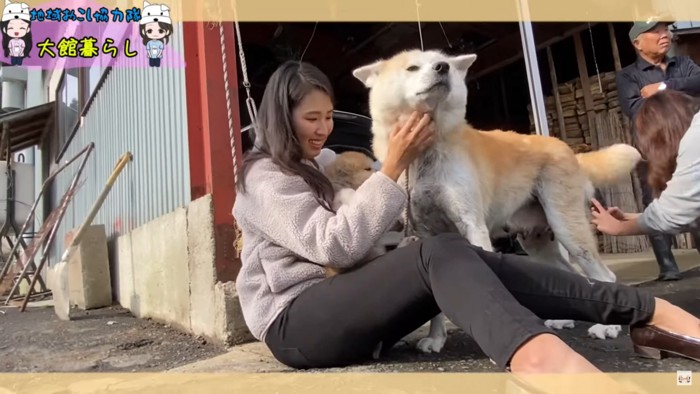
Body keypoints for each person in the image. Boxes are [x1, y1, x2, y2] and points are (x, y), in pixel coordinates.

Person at [232, 60, 700, 376]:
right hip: (296, 324)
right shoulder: (264, 176)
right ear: (281, 115)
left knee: (455, 248)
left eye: (329, 116)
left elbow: (362, 239)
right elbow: (333, 247)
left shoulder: (316, 167)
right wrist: (392, 167)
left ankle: (648, 312)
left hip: (344, 309)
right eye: (311, 118)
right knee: (435, 251)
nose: (323, 128)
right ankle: (538, 357)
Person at [616, 18, 700, 281]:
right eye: (655, 31)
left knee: (696, 199)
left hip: (691, 143)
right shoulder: (628, 76)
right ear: (637, 43)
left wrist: (664, 88)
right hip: (655, 150)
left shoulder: (683, 63)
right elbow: (636, 110)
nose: (665, 34)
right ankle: (667, 266)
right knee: (654, 198)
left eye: (665, 30)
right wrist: (681, 99)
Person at [591, 90, 700, 247]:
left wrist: (620, 228)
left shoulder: (695, 136)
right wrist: (632, 218)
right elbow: (690, 212)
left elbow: (673, 215)